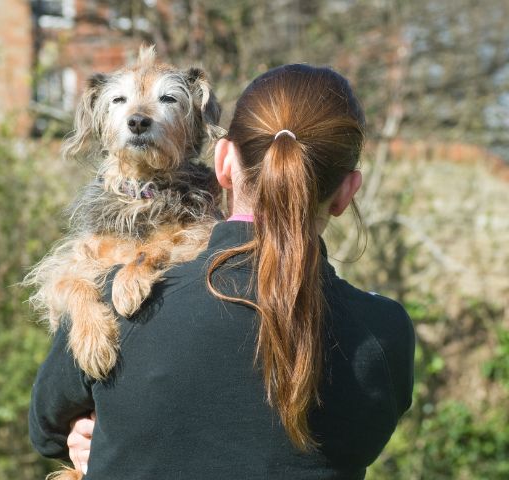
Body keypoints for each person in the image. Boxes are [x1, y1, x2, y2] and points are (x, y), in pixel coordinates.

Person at [29, 64, 415, 479]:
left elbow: (47, 430)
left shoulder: (118, 301)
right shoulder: (383, 333)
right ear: (346, 192)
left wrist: (98, 435)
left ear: (224, 163)